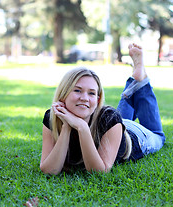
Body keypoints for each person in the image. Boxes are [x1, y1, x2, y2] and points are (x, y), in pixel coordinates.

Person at [40, 43, 165, 175]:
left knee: (158, 135)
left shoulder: (110, 118)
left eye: (92, 93)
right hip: (113, 126)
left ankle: (139, 79)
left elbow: (98, 172)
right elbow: (50, 170)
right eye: (77, 90)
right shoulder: (53, 117)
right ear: (63, 93)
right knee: (115, 118)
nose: (84, 98)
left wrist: (82, 127)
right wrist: (66, 126)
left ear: (98, 100)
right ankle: (136, 79)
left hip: (135, 134)